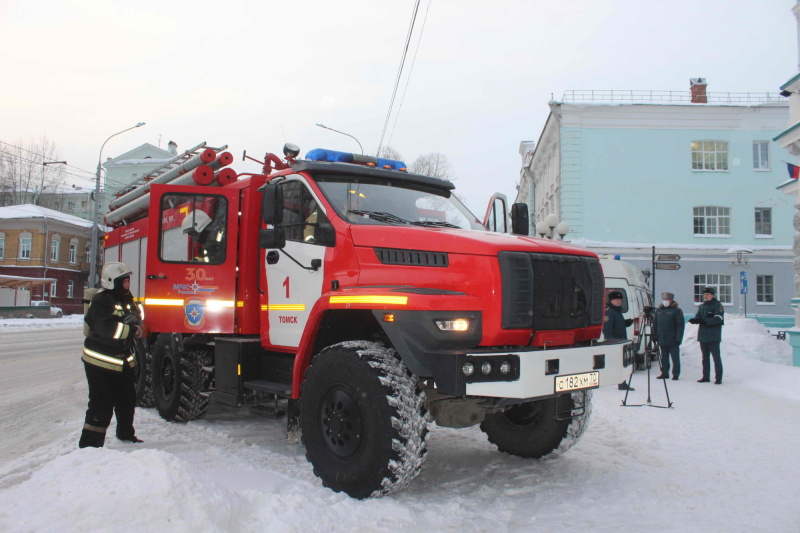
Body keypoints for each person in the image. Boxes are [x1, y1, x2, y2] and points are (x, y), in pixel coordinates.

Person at [79, 262, 144, 448]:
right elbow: (106, 328)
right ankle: (90, 446)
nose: (127, 284)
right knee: (101, 404)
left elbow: (136, 315)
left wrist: (134, 322)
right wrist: (133, 330)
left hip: (122, 360)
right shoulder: (101, 300)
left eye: (127, 280)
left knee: (127, 400)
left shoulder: (126, 297)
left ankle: (126, 435)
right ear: (111, 282)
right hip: (100, 362)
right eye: (123, 280)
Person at [689, 286, 725, 384]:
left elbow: (718, 319)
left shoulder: (718, 306)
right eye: (704, 294)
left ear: (712, 295)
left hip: (713, 336)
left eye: (707, 294)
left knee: (716, 358)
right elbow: (698, 317)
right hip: (703, 336)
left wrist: (704, 321)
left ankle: (718, 378)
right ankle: (705, 376)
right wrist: (695, 320)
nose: (705, 296)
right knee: (705, 358)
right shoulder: (702, 306)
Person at [603, 290, 635, 391]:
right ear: (611, 300)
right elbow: (607, 329)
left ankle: (622, 383)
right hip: (615, 342)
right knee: (618, 363)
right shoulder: (609, 312)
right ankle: (621, 383)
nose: (618, 301)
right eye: (616, 300)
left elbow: (617, 325)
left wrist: (626, 323)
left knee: (621, 363)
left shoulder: (617, 311)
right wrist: (610, 341)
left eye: (620, 300)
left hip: (621, 341)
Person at [653, 292, 685, 380]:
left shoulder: (676, 311)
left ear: (671, 300)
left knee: (675, 358)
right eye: (664, 299)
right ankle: (664, 373)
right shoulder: (659, 311)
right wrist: (655, 335)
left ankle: (675, 374)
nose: (665, 301)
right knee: (664, 358)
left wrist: (679, 338)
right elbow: (655, 324)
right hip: (662, 338)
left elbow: (680, 325)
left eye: (667, 300)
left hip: (673, 339)